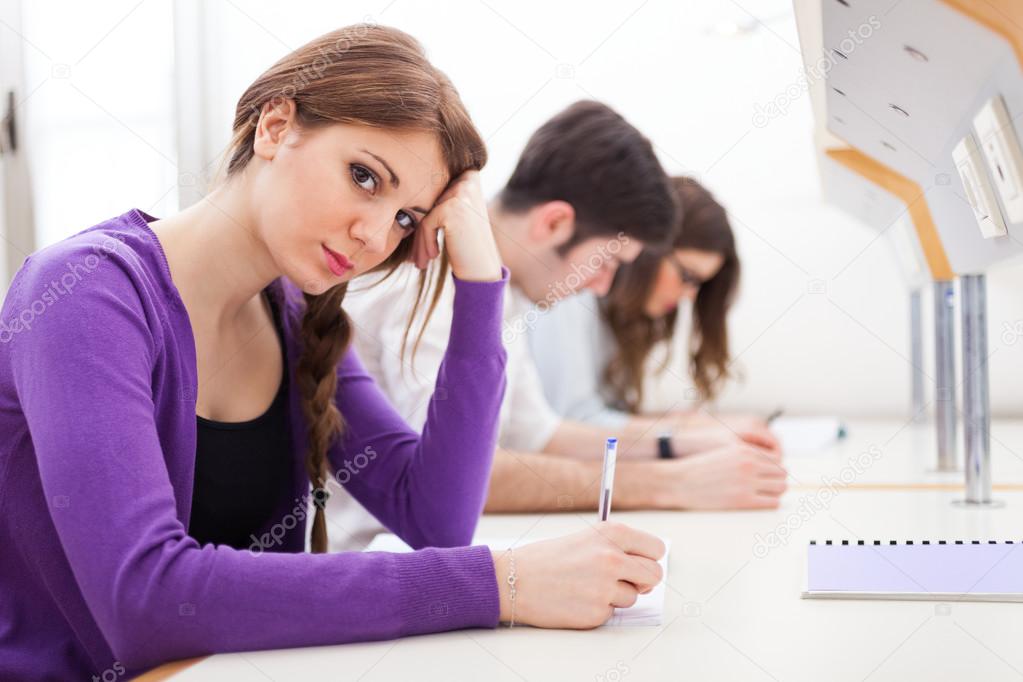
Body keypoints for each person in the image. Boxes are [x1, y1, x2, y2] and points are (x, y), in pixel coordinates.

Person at [0, 26, 664, 680]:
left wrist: (479, 283)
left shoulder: (293, 316)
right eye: (364, 177)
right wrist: (503, 583)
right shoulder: (86, 293)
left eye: (407, 217)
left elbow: (435, 517)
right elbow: (146, 600)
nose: (376, 235)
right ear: (274, 128)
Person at [332, 105, 786, 551]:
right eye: (606, 261)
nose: (603, 286)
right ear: (554, 222)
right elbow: (459, 478)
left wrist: (678, 445)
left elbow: (539, 434)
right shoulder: (432, 275)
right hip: (355, 556)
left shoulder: (505, 293)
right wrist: (671, 484)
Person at [530, 176, 772, 438]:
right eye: (688, 277)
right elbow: (572, 422)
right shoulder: (569, 295)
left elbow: (606, 413)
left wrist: (689, 426)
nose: (690, 296)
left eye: (699, 285)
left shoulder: (621, 317)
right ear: (648, 250)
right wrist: (690, 434)